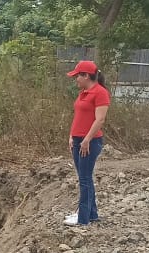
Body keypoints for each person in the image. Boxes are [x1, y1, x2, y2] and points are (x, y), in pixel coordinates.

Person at [65, 60, 110, 226]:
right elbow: (78, 116)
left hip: (90, 142)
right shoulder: (83, 92)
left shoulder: (100, 93)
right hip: (78, 140)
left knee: (84, 179)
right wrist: (72, 135)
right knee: (84, 177)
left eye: (77, 76)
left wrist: (87, 139)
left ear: (86, 76)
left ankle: (82, 218)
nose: (75, 79)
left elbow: (100, 119)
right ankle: (92, 214)